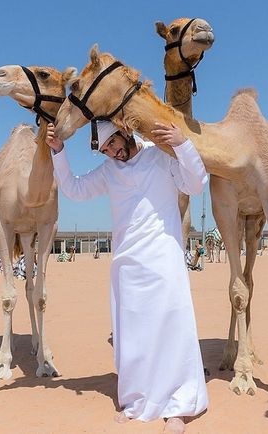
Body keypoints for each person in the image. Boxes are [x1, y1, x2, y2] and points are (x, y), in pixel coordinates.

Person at [46, 120, 208, 434]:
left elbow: (197, 183)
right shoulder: (109, 171)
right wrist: (59, 152)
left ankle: (179, 406)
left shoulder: (160, 156)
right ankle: (137, 400)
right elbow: (74, 189)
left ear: (124, 132)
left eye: (112, 144)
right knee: (133, 336)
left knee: (172, 330)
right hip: (127, 265)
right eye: (105, 149)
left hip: (163, 259)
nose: (111, 152)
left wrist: (181, 144)